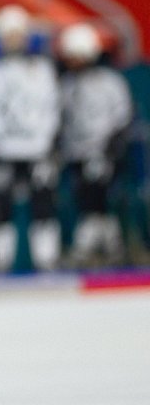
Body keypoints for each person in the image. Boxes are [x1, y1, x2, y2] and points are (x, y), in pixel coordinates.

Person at [0, 5, 61, 274]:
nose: (14, 40)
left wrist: (51, 143)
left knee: (43, 206)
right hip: (1, 150)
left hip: (36, 149)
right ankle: (0, 263)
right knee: (0, 209)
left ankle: (46, 260)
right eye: (9, 34)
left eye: (18, 34)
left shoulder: (42, 70)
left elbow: (51, 107)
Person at [56, 22, 134, 266]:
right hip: (77, 151)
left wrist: (111, 146)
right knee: (87, 198)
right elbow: (61, 118)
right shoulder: (67, 85)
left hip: (103, 149)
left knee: (98, 198)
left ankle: (98, 244)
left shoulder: (109, 82)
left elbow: (123, 115)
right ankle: (110, 244)